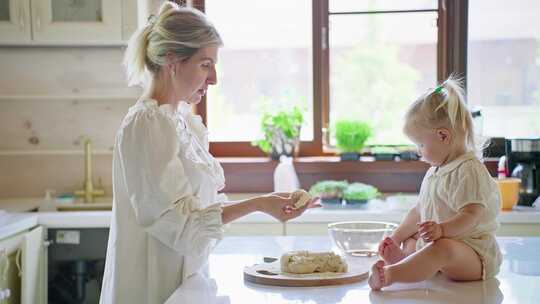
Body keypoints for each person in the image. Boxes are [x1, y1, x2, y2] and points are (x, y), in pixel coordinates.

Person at [99, 2, 317, 303]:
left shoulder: (179, 121)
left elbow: (196, 214)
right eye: (205, 64)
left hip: (185, 281)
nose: (214, 78)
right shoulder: (148, 124)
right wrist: (258, 204)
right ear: (172, 60)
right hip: (155, 287)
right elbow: (181, 226)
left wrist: (264, 203)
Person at [368, 76, 502, 290]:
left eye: (420, 144)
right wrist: (396, 236)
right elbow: (419, 211)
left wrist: (441, 230)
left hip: (473, 255)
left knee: (443, 248)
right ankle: (406, 261)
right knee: (413, 238)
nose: (418, 151)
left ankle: (391, 274)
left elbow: (470, 216)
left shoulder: (469, 169)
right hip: (442, 246)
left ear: (443, 136)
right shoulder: (435, 172)